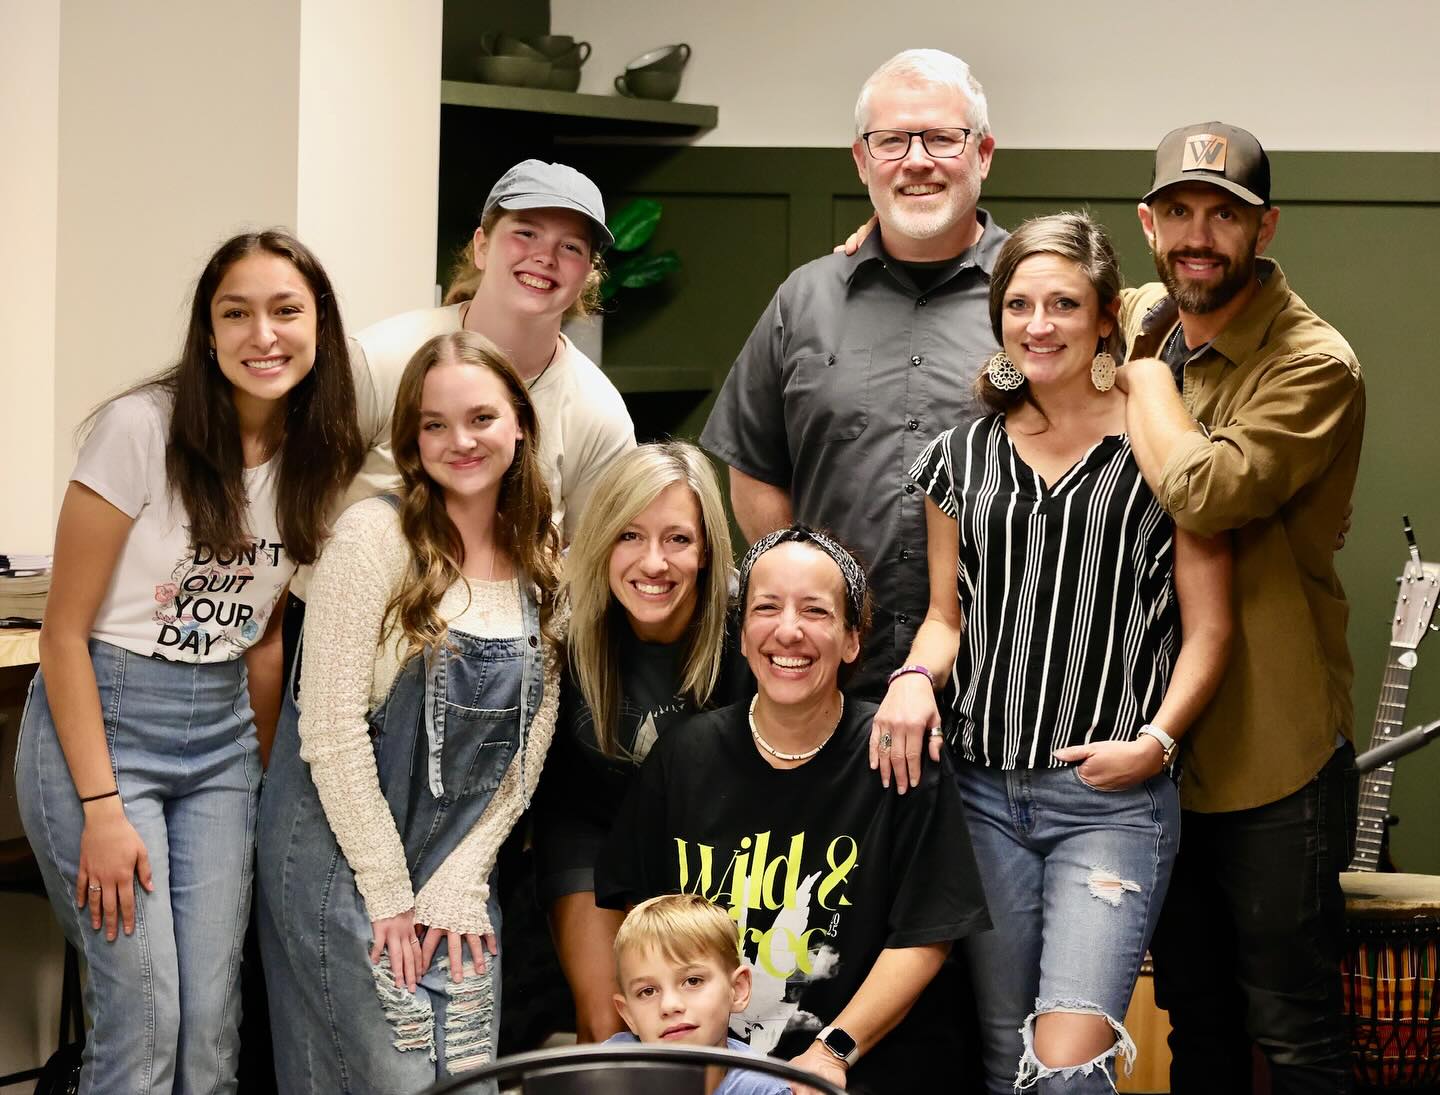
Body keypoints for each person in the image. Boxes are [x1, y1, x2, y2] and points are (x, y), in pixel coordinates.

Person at [874, 212, 1233, 1092]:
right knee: (1007, 1058)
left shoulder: (1162, 452)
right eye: (1019, 305)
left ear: (1107, 317)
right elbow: (946, 616)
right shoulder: (959, 456)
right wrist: (914, 678)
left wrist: (1157, 743)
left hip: (1109, 802)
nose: (1038, 324)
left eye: (1064, 304)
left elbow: (1211, 628)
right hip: (980, 795)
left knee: (1065, 1063)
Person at [15, 229, 363, 1093]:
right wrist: (101, 809)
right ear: (208, 332)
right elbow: (62, 635)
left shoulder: (320, 452)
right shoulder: (141, 428)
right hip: (104, 727)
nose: (262, 335)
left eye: (286, 311)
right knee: (145, 1022)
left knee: (210, 1030)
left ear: (320, 325)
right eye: (235, 313)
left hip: (220, 741)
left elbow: (265, 634)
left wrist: (262, 775)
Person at [1115, 122, 1365, 1094]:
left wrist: (1142, 379)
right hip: (1152, 745)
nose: (1198, 236)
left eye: (1224, 215)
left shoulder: (1314, 362)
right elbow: (1031, 306)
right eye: (1178, 211)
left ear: (1265, 230)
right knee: (1198, 1020)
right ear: (1148, 224)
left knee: (1294, 1029)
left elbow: (1207, 494)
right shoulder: (1146, 313)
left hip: (1272, 746)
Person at [255, 330, 563, 1091]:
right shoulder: (373, 537)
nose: (461, 441)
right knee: (394, 1078)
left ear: (520, 423)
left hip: (459, 866)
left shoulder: (542, 551)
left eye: (481, 418)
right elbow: (328, 730)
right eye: (435, 424)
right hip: (343, 856)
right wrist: (387, 892)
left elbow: (536, 729)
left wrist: (465, 874)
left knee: (468, 1076)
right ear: (412, 440)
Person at [596, 526, 991, 1095]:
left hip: (858, 1070)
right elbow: (644, 920)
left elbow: (926, 935)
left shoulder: (899, 757)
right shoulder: (683, 757)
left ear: (852, 640)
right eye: (766, 608)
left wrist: (832, 1053)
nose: (788, 630)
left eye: (815, 611)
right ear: (741, 635)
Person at [700, 49, 1008, 729]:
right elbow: (755, 468)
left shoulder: (1034, 303)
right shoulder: (805, 301)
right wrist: (815, 602)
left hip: (1002, 690)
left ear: (983, 154)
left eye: (942, 138)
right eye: (891, 141)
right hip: (832, 690)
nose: (916, 160)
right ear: (862, 161)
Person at [533, 441, 751, 1042]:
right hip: (593, 830)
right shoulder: (563, 622)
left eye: (678, 539)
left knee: (697, 1020)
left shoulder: (743, 626)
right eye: (629, 536)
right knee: (610, 1025)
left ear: (706, 551)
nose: (653, 563)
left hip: (707, 841)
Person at [607, 894, 790, 1095]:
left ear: (737, 989)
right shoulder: (609, 1069)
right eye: (647, 991)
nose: (669, 1005)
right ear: (629, 1015)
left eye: (693, 981)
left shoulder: (762, 1090)